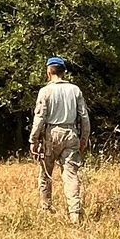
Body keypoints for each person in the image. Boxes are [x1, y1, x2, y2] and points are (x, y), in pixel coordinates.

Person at [31, 56, 91, 222]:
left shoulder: (45, 91)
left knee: (45, 174)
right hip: (71, 133)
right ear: (64, 72)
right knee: (71, 175)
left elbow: (39, 118)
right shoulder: (75, 90)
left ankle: (46, 209)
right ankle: (75, 214)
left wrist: (33, 140)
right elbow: (84, 117)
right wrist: (84, 138)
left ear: (49, 71)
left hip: (51, 134)